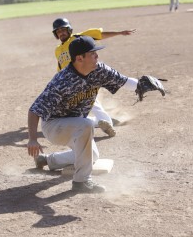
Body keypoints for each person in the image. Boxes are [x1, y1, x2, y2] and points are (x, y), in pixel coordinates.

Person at [27, 35, 140, 194]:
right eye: (92, 53)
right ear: (79, 58)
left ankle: (47, 160)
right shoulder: (62, 81)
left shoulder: (99, 70)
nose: (97, 56)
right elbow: (34, 109)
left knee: (91, 155)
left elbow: (123, 80)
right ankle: (81, 181)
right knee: (86, 124)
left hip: (77, 124)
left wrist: (141, 84)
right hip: (54, 126)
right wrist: (32, 139)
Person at [52, 17, 136, 137]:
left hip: (86, 77)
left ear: (69, 30)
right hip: (70, 82)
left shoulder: (79, 38)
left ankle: (107, 122)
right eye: (58, 31)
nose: (61, 33)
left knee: (91, 102)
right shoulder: (57, 50)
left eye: (63, 30)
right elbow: (60, 68)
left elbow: (99, 35)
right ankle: (102, 121)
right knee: (75, 113)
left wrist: (119, 33)